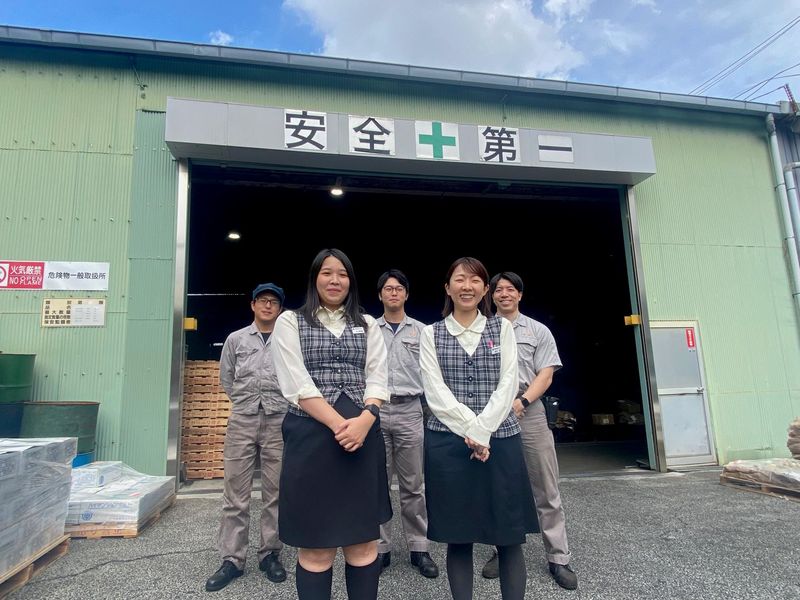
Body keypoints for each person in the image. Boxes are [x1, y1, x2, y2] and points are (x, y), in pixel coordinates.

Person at [271, 248, 392, 600]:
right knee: (316, 548)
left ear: (350, 281)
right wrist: (343, 425)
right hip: (311, 438)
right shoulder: (290, 321)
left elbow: (378, 377)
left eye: (342, 274)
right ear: (315, 278)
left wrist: (366, 419)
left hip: (363, 437)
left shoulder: (367, 324)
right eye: (327, 273)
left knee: (363, 544)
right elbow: (295, 383)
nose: (335, 280)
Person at [419, 257, 539, 600]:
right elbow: (434, 391)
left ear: (485, 289)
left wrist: (482, 431)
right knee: (458, 537)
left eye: (475, 280)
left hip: (501, 440)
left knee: (509, 536)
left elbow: (509, 382)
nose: (467, 286)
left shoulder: (502, 329)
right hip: (448, 444)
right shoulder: (431, 333)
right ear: (448, 288)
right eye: (459, 279)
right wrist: (472, 430)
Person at [481, 271, 578, 590]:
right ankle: (502, 552)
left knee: (545, 487)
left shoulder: (538, 331)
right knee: (499, 487)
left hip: (530, 412)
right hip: (494, 416)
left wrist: (522, 401)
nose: (504, 294)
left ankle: (558, 557)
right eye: (498, 290)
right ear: (491, 295)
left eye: (510, 289)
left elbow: (546, 374)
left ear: (520, 295)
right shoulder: (482, 329)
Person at [205, 282, 288, 592]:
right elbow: (226, 377)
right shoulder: (236, 339)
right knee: (235, 494)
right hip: (242, 420)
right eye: (262, 300)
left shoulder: (287, 341)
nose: (267, 306)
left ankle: (270, 554)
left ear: (280, 309)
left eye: (273, 302)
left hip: (278, 419)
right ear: (253, 305)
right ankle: (232, 559)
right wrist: (244, 401)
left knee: (275, 492)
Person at [374, 269, 439, 578]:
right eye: (388, 288)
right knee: (378, 483)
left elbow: (432, 374)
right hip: (377, 411)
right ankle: (380, 549)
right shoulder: (369, 329)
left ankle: (419, 548)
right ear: (380, 295)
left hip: (411, 409)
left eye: (399, 288)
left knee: (413, 485)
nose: (394, 293)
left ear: (407, 294)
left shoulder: (422, 332)